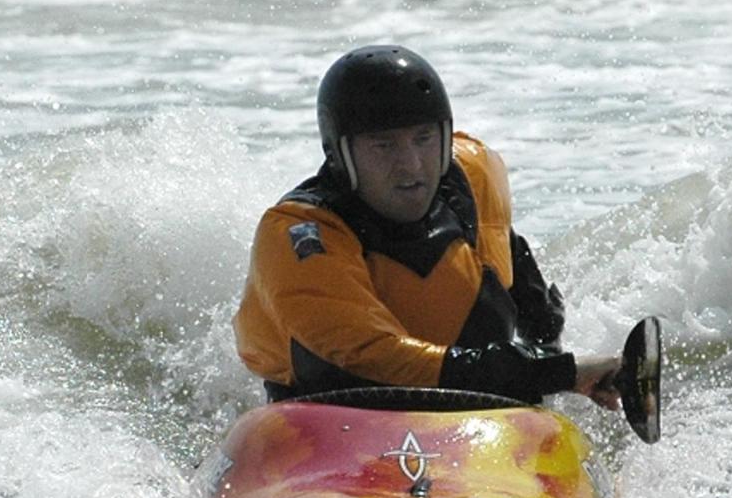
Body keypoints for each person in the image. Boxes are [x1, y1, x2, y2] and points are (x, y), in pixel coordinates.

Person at [233, 44, 622, 409]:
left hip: (478, 421)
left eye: (423, 139)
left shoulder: (474, 176)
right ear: (339, 155)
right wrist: (558, 373)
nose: (411, 165)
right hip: (332, 421)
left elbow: (515, 267)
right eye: (383, 146)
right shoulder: (300, 235)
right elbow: (377, 356)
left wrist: (549, 363)